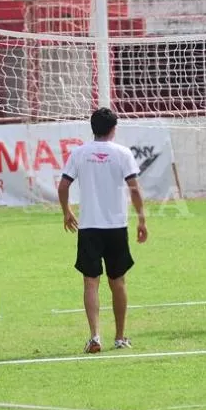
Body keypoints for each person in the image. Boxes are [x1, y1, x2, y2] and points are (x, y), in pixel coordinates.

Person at [58, 107, 148, 354]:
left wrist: (66, 212)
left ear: (93, 128)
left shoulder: (79, 153)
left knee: (90, 282)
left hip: (89, 226)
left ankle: (95, 335)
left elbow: (64, 185)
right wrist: (142, 220)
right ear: (113, 128)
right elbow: (135, 188)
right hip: (116, 226)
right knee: (118, 281)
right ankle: (119, 337)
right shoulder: (122, 153)